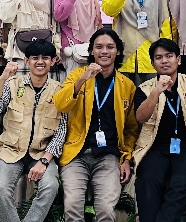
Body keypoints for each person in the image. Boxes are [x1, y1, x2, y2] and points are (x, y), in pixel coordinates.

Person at [53, 28, 139, 222]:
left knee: (106, 210)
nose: (104, 51)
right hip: (77, 154)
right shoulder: (77, 74)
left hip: (109, 156)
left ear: (118, 51)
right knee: (72, 207)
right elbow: (60, 104)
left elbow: (131, 130)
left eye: (110, 47)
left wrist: (126, 158)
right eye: (99, 47)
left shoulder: (126, 85)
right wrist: (84, 78)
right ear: (91, 51)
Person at [133, 38, 186, 222]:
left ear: (178, 59)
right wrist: (157, 91)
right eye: (158, 57)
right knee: (148, 180)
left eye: (169, 56)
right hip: (155, 147)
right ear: (152, 63)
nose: (164, 61)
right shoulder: (144, 89)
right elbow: (140, 117)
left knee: (180, 183)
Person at [0, 39, 68, 222]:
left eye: (45, 58)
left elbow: (61, 130)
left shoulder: (59, 91)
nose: (40, 62)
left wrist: (44, 161)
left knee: (50, 186)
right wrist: (3, 77)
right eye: (35, 58)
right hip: (10, 150)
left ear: (53, 61)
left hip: (41, 152)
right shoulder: (12, 84)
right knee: (0, 188)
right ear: (26, 60)